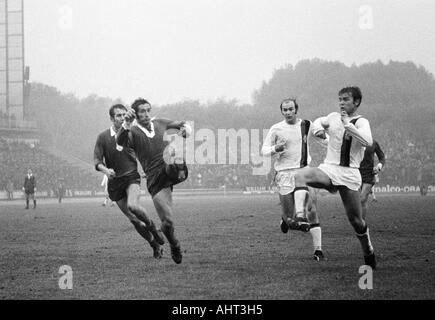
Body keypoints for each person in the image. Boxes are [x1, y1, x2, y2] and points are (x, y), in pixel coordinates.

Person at [293, 87, 376, 269]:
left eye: (346, 99)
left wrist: (348, 124)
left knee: (356, 221)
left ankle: (368, 250)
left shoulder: (361, 122)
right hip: (329, 169)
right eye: (340, 99)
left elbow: (367, 142)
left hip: (350, 174)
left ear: (356, 102)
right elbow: (317, 122)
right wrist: (317, 131)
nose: (341, 103)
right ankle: (300, 216)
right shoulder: (332, 117)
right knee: (300, 175)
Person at [116, 98, 190, 264]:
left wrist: (183, 133)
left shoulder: (161, 122)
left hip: (168, 169)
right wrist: (126, 124)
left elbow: (185, 125)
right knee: (168, 223)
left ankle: (176, 165)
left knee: (173, 156)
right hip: (155, 179)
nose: (146, 114)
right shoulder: (132, 131)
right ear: (135, 114)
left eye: (148, 110)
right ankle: (174, 243)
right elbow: (119, 143)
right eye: (142, 111)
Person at [94, 104, 165, 259]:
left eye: (124, 114)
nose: (122, 118)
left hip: (131, 177)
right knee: (134, 220)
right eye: (118, 115)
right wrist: (106, 171)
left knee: (133, 206)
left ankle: (154, 228)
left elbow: (146, 151)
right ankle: (154, 244)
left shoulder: (132, 132)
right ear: (111, 118)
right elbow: (97, 161)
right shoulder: (103, 137)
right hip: (114, 182)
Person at [261, 98, 325, 261]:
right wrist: (276, 148)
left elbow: (322, 138)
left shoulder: (306, 125)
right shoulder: (276, 128)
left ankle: (318, 250)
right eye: (285, 110)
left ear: (296, 109)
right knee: (290, 219)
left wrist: (326, 138)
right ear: (282, 112)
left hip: (303, 171)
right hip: (284, 174)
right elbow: (263, 150)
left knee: (311, 210)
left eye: (290, 109)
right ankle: (286, 222)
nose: (288, 112)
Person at [359, 139, 385, 218]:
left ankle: (362, 226)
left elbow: (382, 157)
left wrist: (379, 166)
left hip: (369, 174)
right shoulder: (353, 140)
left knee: (362, 199)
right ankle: (359, 223)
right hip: (355, 174)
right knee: (357, 201)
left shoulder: (373, 143)